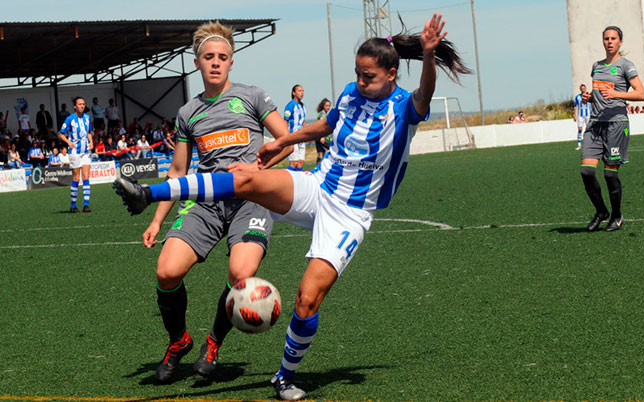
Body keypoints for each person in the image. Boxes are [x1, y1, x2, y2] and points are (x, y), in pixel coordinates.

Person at [113, 13, 469, 400]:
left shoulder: (405, 108)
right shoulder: (351, 93)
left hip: (350, 212)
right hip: (318, 186)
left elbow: (425, 94)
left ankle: (284, 376)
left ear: (392, 75)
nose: (361, 82)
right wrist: (279, 143)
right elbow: (325, 125)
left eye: (369, 76)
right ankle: (147, 194)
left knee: (307, 298)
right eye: (358, 74)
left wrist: (430, 57)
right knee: (246, 177)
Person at [118, 21, 294, 385]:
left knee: (240, 275)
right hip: (206, 202)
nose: (215, 62)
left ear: (232, 63)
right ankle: (179, 341)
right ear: (196, 62)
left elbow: (288, 142)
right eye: (208, 57)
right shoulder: (188, 113)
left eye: (223, 57)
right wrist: (157, 221)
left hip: (251, 199)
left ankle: (213, 344)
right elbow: (179, 171)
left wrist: (257, 168)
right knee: (167, 272)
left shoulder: (253, 96)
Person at [580, 25, 644, 232]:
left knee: (609, 175)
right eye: (606, 38)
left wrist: (617, 94)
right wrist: (590, 97)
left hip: (616, 124)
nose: (609, 41)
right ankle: (601, 211)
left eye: (613, 38)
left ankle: (617, 216)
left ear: (620, 42)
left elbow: (640, 94)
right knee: (587, 172)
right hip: (595, 124)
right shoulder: (596, 66)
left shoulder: (626, 65)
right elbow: (599, 92)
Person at [59, 96, 94, 213]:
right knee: (76, 178)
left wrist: (92, 142)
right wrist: (68, 142)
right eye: (79, 104)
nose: (82, 106)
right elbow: (61, 134)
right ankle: (73, 205)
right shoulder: (70, 119)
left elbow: (89, 132)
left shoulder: (88, 117)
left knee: (86, 177)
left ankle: (86, 205)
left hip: (86, 151)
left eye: (83, 104)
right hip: (74, 151)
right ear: (75, 106)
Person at [284, 84, 306, 171]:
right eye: (299, 91)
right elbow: (285, 121)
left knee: (301, 163)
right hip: (293, 137)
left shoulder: (303, 106)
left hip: (301, 137)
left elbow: (303, 121)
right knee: (294, 163)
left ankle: (298, 184)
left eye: (303, 91)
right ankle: (285, 181)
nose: (302, 93)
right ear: (294, 93)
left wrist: (308, 134)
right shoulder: (290, 105)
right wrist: (286, 136)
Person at [314, 98, 332, 164]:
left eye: (329, 106)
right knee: (332, 147)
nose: (328, 107)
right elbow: (321, 125)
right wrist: (322, 136)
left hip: (318, 136)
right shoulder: (322, 114)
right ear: (323, 106)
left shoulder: (323, 114)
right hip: (321, 136)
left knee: (321, 152)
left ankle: (319, 166)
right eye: (326, 106)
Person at [573, 84, 591, 150]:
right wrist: (575, 115)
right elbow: (575, 106)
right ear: (580, 89)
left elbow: (592, 104)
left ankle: (589, 144)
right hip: (580, 115)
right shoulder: (578, 97)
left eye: (584, 88)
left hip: (588, 115)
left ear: (585, 88)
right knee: (580, 130)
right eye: (582, 88)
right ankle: (579, 144)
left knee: (589, 129)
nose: (583, 89)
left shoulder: (589, 95)